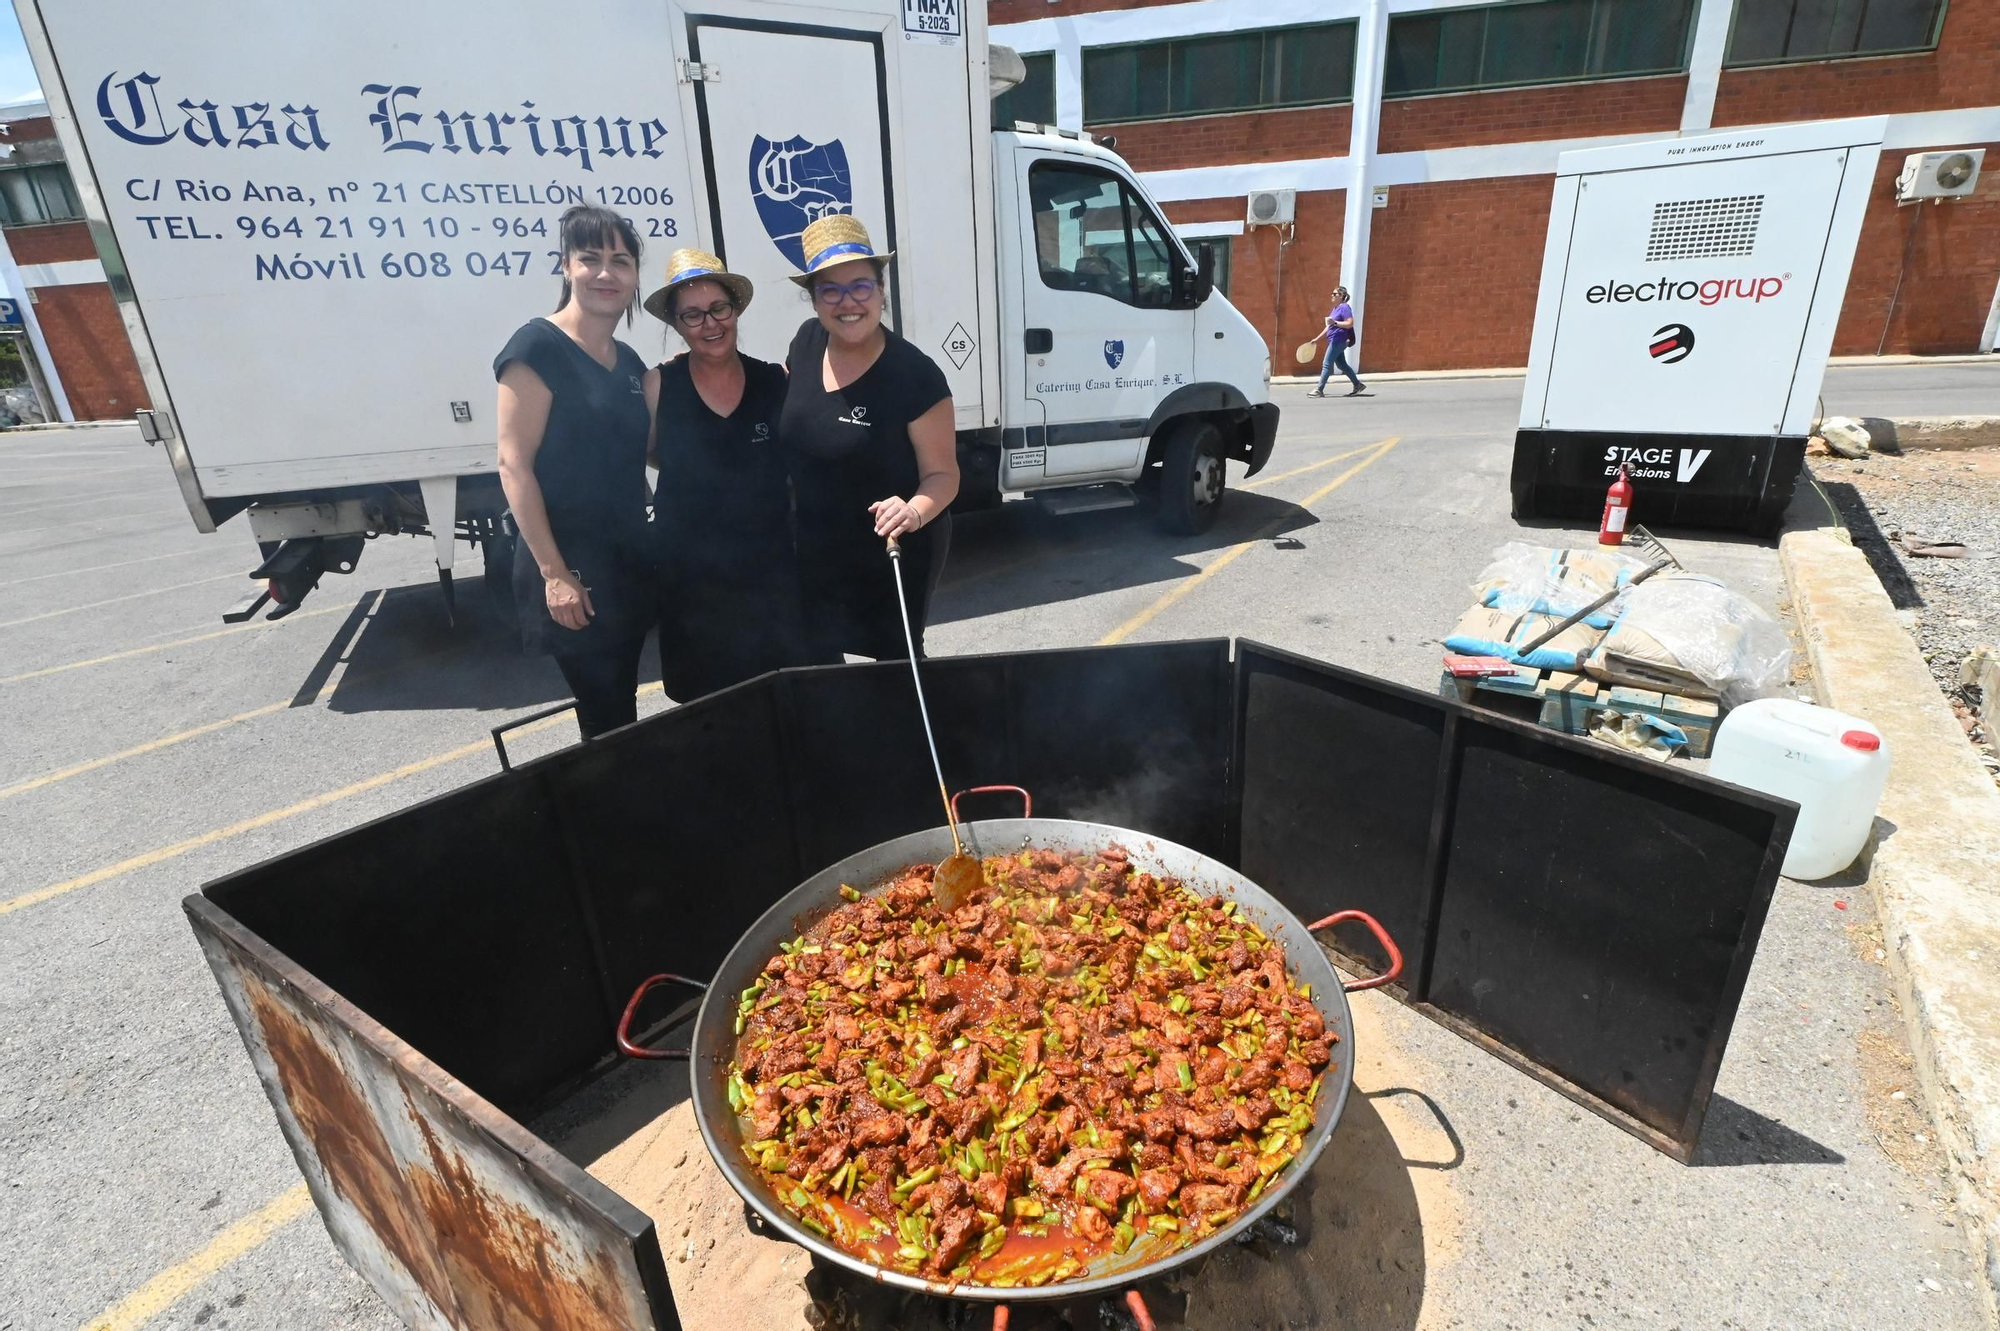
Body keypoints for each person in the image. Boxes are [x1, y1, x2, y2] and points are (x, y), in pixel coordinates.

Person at [495, 205, 660, 739]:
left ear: (635, 276)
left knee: (621, 700)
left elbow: (647, 452)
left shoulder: (630, 362)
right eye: (590, 258)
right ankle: (613, 813)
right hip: (573, 568)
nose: (606, 273)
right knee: (604, 706)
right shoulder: (536, 347)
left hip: (627, 563)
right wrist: (554, 573)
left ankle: (621, 805)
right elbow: (513, 464)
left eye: (621, 261)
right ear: (566, 266)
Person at [780, 215, 959, 661]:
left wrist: (913, 511)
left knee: (895, 673)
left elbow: (943, 474)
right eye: (831, 290)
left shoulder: (915, 375)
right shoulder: (806, 341)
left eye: (860, 286)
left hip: (893, 550)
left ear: (881, 291)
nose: (848, 302)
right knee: (819, 669)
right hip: (817, 545)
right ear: (815, 299)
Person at [642, 247, 805, 699]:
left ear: (736, 309)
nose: (710, 324)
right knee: (710, 713)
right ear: (676, 324)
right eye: (692, 315)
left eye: (719, 308)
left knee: (784, 702)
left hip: (769, 578)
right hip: (692, 585)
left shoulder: (775, 381)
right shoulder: (659, 385)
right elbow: (656, 454)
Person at [1308, 285, 1366, 398]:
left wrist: (1335, 323)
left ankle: (1319, 389)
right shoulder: (1334, 309)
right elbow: (1329, 326)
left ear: (1342, 296)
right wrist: (1317, 339)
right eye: (1332, 293)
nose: (1332, 295)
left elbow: (1350, 323)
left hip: (1338, 340)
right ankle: (1358, 385)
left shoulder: (1345, 307)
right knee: (1342, 365)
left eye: (1335, 294)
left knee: (1326, 363)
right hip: (1334, 340)